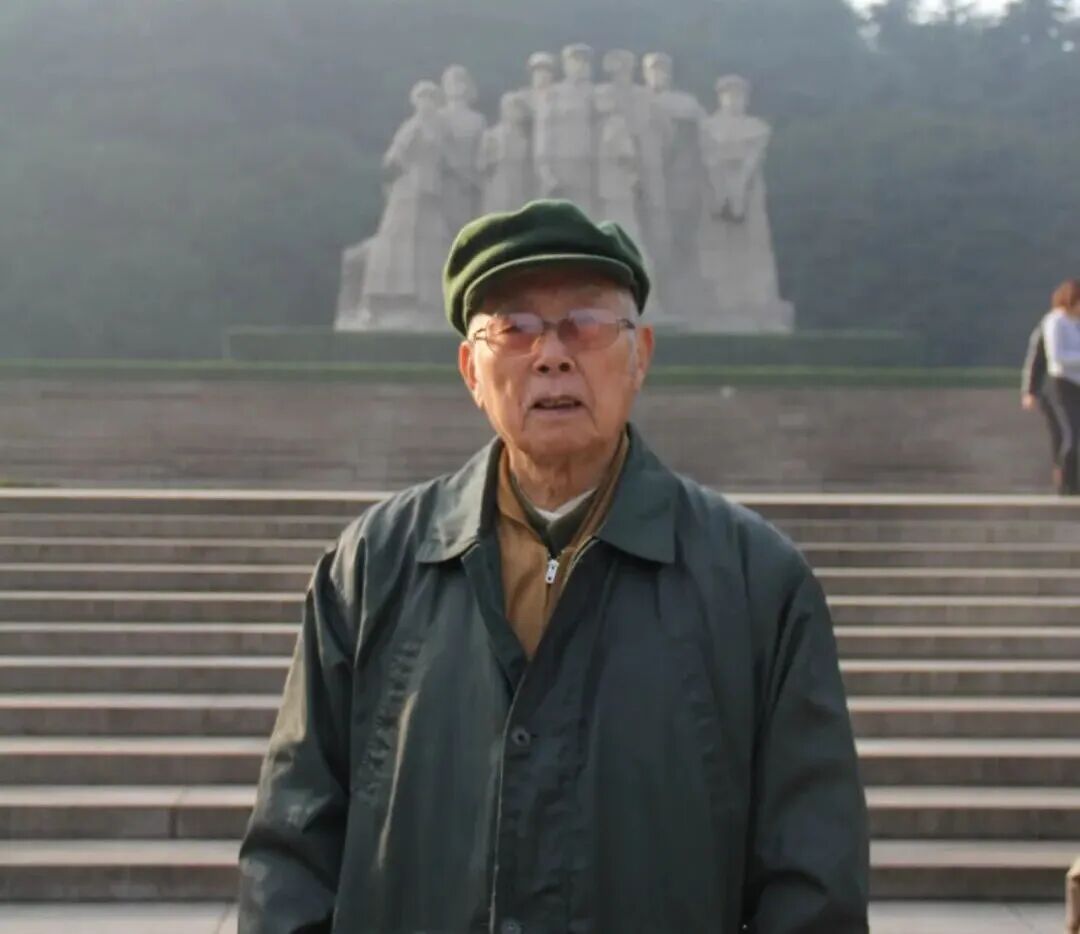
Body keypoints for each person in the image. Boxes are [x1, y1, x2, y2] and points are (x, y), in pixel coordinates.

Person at [238, 200, 870, 933]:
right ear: (471, 370)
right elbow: (292, 850)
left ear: (641, 355)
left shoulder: (758, 583)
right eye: (515, 327)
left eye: (587, 323)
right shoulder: (372, 567)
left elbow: (812, 881)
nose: (552, 355)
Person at [1042, 279, 1080, 495]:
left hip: (1077, 383)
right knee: (1071, 435)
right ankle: (1065, 484)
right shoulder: (1056, 321)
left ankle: (1075, 484)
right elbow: (1057, 356)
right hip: (1062, 385)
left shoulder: (1076, 323)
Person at [1021, 313, 1064, 491]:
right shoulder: (1053, 325)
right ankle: (1064, 480)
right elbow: (1037, 359)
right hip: (1056, 391)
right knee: (1062, 435)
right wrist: (1030, 390)